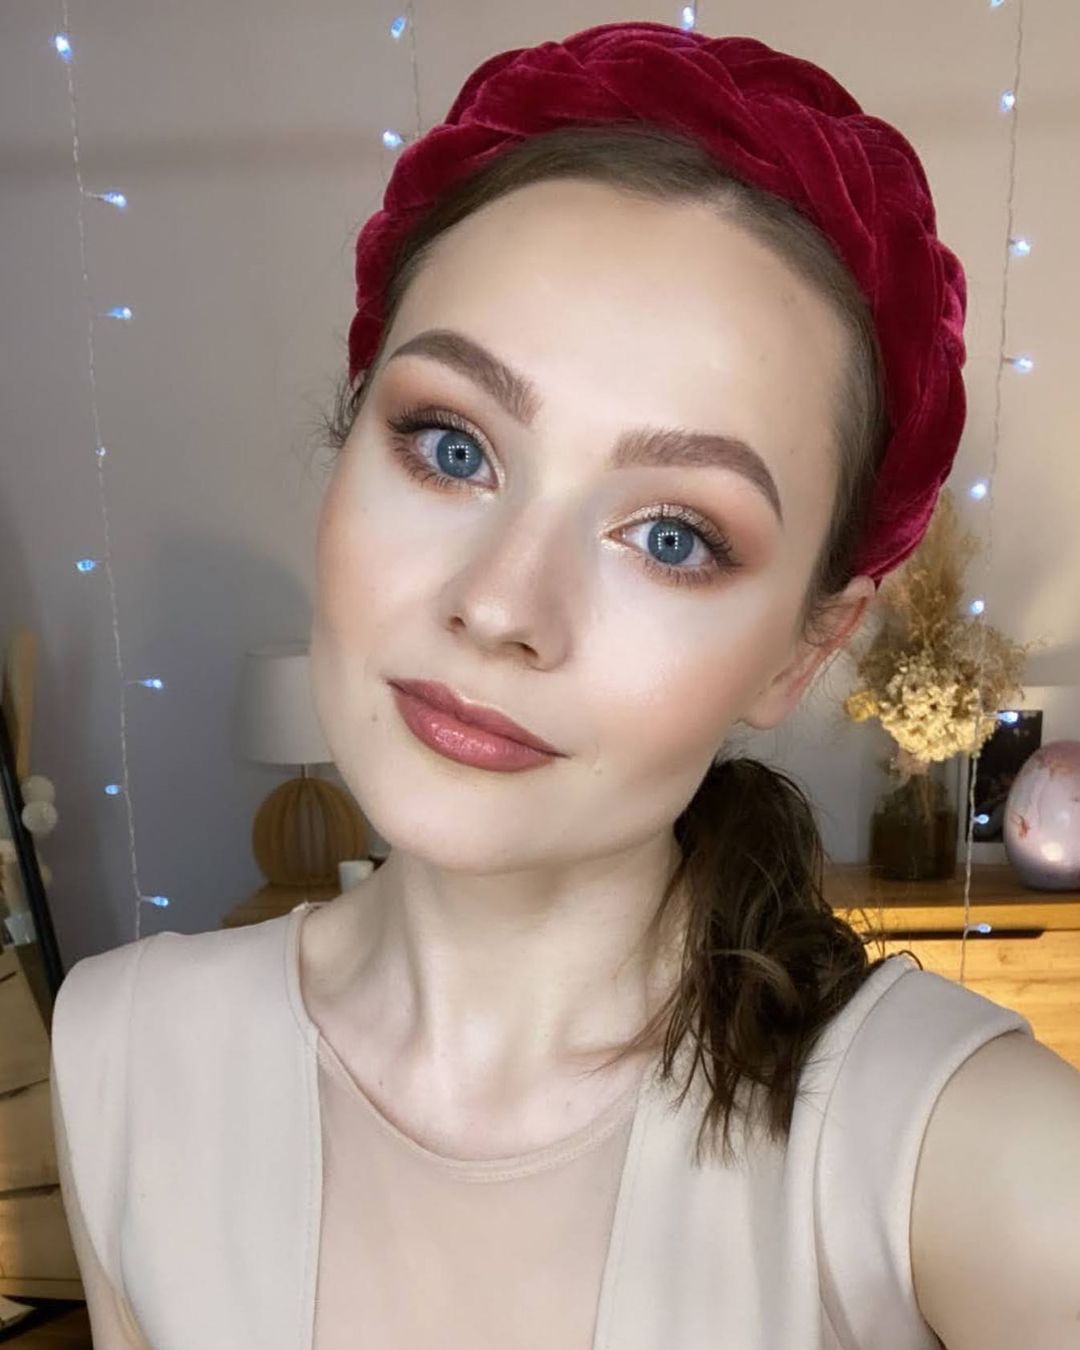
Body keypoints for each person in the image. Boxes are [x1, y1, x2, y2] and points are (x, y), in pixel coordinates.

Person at [49, 21, 1080, 1350]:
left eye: (674, 536)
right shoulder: (122, 1054)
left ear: (805, 648)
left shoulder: (964, 1156)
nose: (500, 607)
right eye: (451, 446)